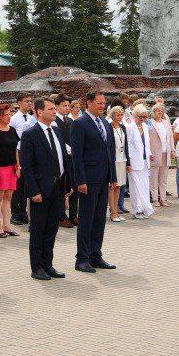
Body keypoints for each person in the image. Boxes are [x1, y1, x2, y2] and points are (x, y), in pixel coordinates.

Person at [19, 97, 67, 280]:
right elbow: (28, 166)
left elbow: (62, 158)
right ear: (39, 112)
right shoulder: (30, 134)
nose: (55, 111)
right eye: (50, 109)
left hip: (57, 186)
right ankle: (37, 267)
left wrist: (67, 184)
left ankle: (48, 264)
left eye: (55, 108)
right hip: (41, 188)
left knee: (52, 229)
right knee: (38, 229)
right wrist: (33, 191)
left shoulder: (57, 130)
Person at [70, 90, 116, 273]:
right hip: (88, 180)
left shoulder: (105, 123)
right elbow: (77, 155)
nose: (102, 106)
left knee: (99, 219)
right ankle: (82, 258)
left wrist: (112, 176)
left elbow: (110, 151)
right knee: (86, 220)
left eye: (104, 103)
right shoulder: (79, 124)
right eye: (99, 103)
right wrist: (80, 180)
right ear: (88, 103)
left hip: (103, 179)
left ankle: (95, 255)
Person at [0, 102, 20, 238]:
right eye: (6, 115)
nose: (9, 117)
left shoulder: (12, 129)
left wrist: (17, 165)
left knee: (8, 198)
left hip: (11, 168)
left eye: (9, 114)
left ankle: (7, 225)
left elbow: (15, 150)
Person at [8, 95, 37, 225]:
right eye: (26, 101)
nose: (29, 103)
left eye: (30, 101)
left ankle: (23, 212)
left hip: (29, 151)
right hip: (18, 151)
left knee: (26, 183)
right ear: (19, 103)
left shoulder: (32, 119)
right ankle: (15, 213)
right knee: (18, 184)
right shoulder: (13, 119)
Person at [126, 104, 155, 218]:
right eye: (140, 116)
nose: (142, 119)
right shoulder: (129, 127)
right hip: (134, 161)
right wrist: (128, 162)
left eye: (144, 116)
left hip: (144, 161)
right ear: (135, 115)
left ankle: (144, 208)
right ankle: (137, 209)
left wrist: (150, 154)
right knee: (135, 186)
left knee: (143, 185)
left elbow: (146, 143)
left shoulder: (145, 127)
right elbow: (127, 145)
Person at [54, 94, 77, 228]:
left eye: (68, 105)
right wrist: (69, 150)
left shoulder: (70, 121)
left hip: (73, 158)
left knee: (75, 186)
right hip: (63, 157)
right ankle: (61, 216)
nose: (67, 108)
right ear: (57, 106)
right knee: (63, 187)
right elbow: (58, 140)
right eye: (64, 105)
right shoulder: (54, 122)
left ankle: (73, 215)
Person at [148, 104, 173, 208]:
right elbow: (147, 139)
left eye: (161, 111)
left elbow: (171, 137)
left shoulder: (166, 122)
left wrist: (172, 150)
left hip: (165, 153)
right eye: (157, 111)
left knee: (163, 178)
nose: (159, 112)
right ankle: (154, 199)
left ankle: (163, 198)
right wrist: (149, 152)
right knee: (154, 178)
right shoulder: (150, 123)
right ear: (153, 112)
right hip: (155, 153)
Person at [107, 105, 128, 223]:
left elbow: (126, 146)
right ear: (112, 115)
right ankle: (113, 211)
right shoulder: (109, 127)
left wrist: (128, 162)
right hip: (113, 160)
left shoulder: (123, 128)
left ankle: (115, 209)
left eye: (121, 115)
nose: (120, 117)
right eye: (117, 115)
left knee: (119, 185)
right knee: (112, 185)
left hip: (122, 159)